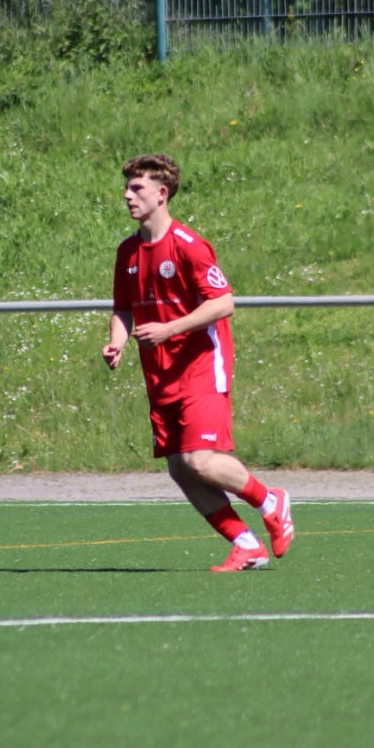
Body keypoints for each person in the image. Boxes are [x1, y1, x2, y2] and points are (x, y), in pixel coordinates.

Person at [102, 153, 294, 571]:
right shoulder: (127, 252)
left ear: (161, 194)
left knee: (198, 459)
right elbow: (123, 308)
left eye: (137, 188)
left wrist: (170, 329)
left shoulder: (188, 245)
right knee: (180, 468)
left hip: (201, 365)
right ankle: (246, 543)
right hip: (160, 373)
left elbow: (223, 303)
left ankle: (270, 501)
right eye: (127, 187)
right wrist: (116, 342)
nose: (127, 195)